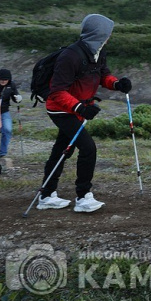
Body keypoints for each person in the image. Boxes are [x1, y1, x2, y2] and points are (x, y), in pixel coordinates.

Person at [37, 14, 132, 213]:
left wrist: (116, 84)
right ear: (98, 33)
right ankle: (83, 197)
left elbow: (103, 75)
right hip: (61, 109)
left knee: (63, 149)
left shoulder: (98, 50)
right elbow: (57, 91)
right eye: (108, 32)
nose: (110, 36)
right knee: (88, 147)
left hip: (76, 108)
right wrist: (80, 108)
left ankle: (46, 195)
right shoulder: (71, 56)